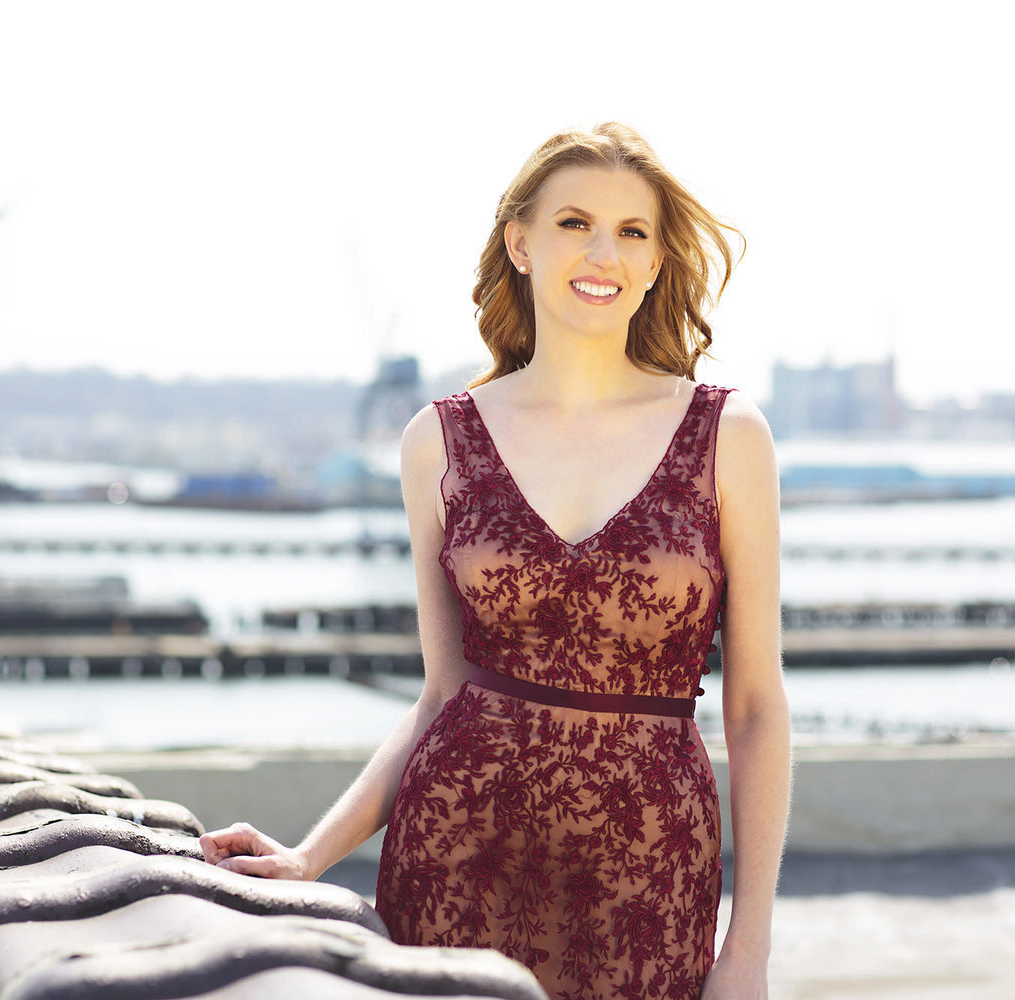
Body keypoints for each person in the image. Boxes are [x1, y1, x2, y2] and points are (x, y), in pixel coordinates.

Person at [200, 122, 791, 1000]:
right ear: (520, 243)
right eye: (574, 223)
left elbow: (755, 708)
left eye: (632, 232)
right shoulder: (437, 443)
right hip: (455, 855)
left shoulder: (727, 436)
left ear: (657, 261)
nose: (604, 253)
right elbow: (443, 695)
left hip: (647, 876)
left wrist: (749, 951)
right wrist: (308, 856)